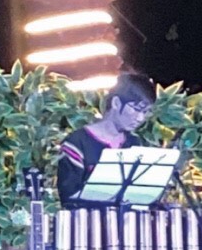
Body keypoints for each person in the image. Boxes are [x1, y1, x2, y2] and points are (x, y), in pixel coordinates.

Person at [55, 73, 155, 205]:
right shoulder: (77, 143)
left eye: (145, 112)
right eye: (136, 109)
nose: (140, 118)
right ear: (116, 103)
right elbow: (68, 195)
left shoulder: (134, 143)